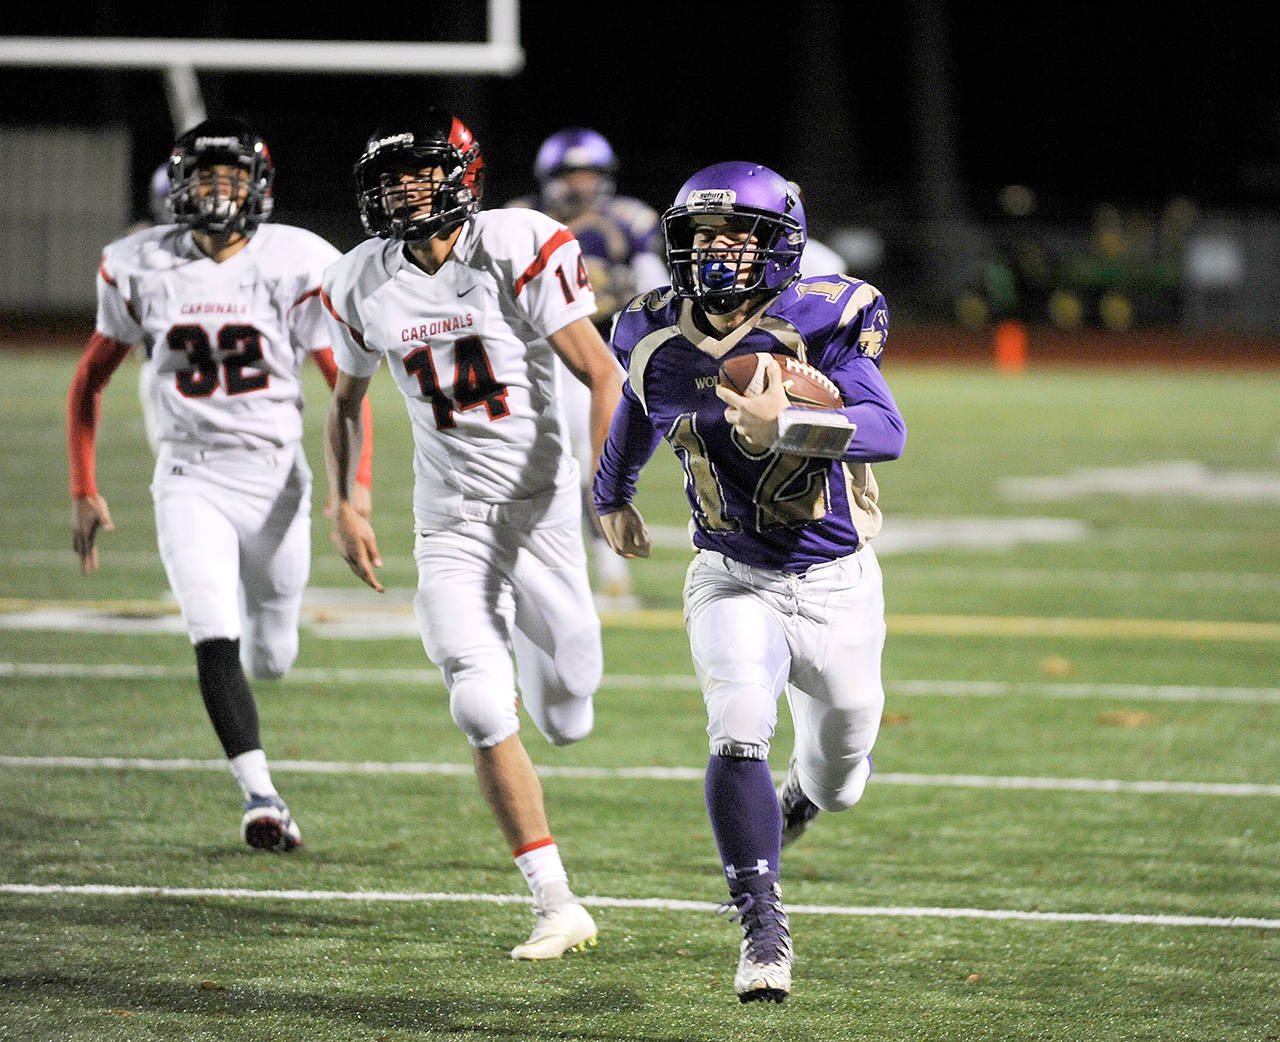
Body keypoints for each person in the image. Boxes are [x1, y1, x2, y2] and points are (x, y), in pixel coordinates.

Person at [592, 162, 906, 1003]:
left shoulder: (829, 315)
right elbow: (638, 404)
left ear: (781, 243)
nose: (716, 251)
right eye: (701, 235)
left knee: (841, 776)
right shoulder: (650, 331)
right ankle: (762, 925)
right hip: (731, 575)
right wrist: (610, 493)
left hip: (836, 579)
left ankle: (804, 794)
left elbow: (887, 429)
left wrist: (793, 421)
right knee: (736, 726)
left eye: (736, 234)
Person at [321, 108, 623, 960]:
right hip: (448, 519)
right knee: (480, 701)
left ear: (461, 174)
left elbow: (600, 372)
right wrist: (348, 502)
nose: (404, 193)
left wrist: (611, 487)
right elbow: (344, 404)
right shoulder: (359, 280)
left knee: (568, 710)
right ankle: (556, 901)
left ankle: (543, 665)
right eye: (390, 181)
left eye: (420, 174)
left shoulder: (518, 242)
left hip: (542, 511)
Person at [67, 116, 373, 853]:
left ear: (258, 187)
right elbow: (89, 379)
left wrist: (349, 495)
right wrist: (84, 484)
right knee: (211, 633)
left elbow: (345, 390)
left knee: (274, 652)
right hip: (186, 476)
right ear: (177, 187)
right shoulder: (136, 264)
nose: (216, 193)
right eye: (204, 179)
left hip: (276, 479)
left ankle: (256, 630)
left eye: (230, 179)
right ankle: (261, 796)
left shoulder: (298, 260)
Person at [505, 127, 667, 607]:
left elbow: (654, 289)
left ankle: (611, 570)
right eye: (570, 174)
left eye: (588, 174)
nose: (580, 184)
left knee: (595, 460)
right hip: (532, 356)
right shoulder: (519, 220)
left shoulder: (626, 221)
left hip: (597, 354)